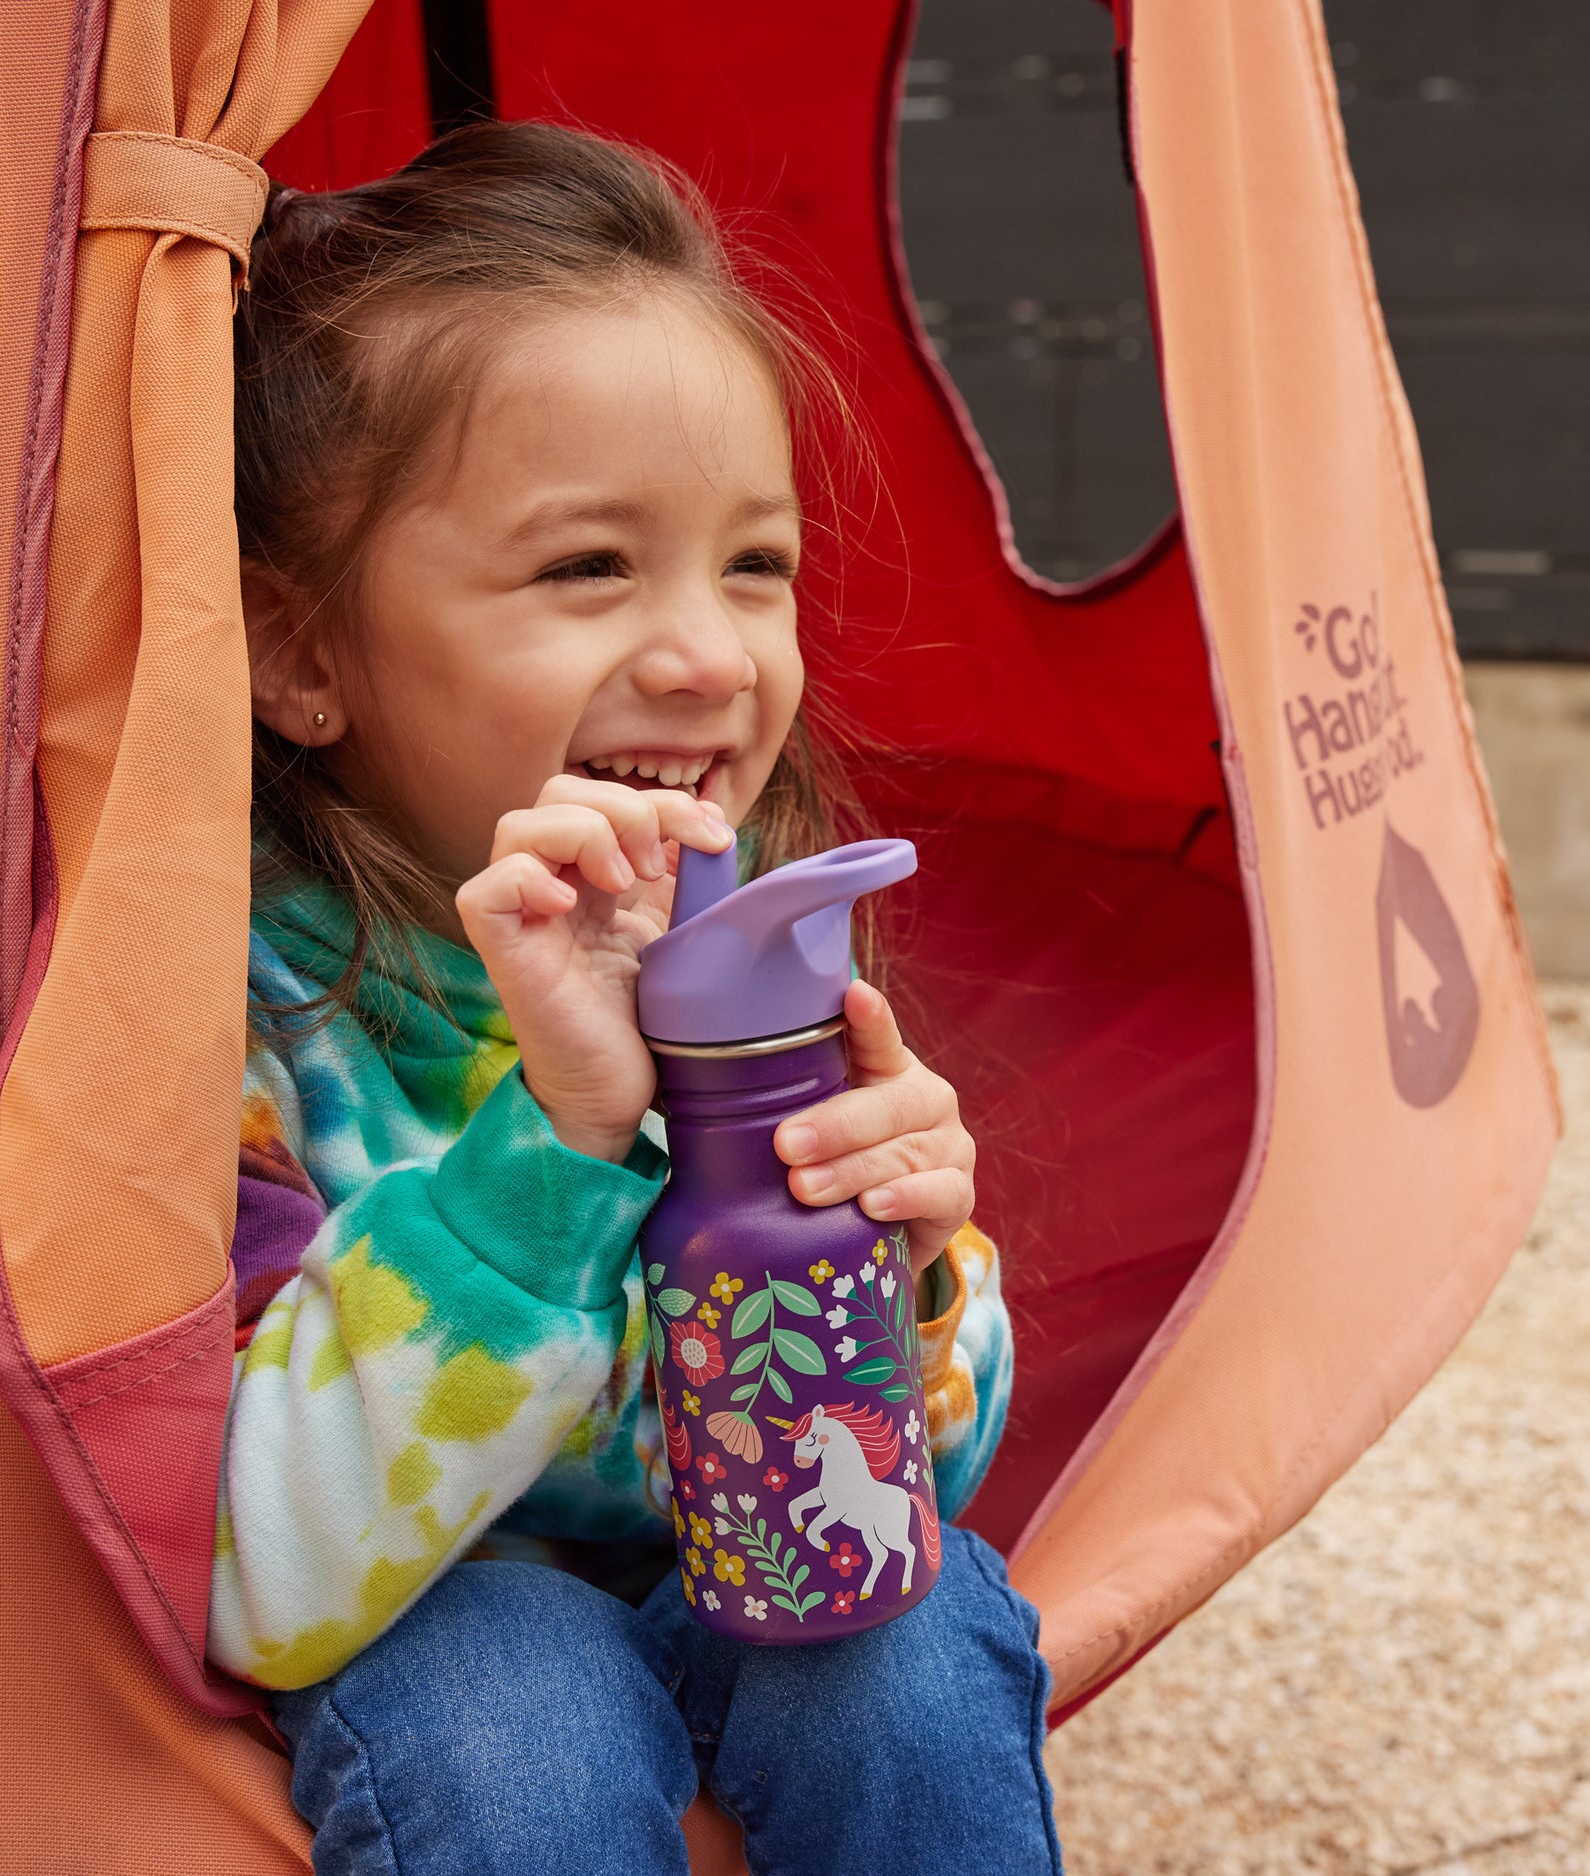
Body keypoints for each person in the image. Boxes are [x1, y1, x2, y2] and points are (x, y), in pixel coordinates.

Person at [215, 120, 1060, 1876]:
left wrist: (901, 1278)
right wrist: (559, 1137)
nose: (710, 652)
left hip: (749, 1581)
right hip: (429, 1623)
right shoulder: (242, 1006)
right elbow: (244, 1571)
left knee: (903, 1649)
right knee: (509, 1687)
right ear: (301, 654)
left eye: (754, 565)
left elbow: (918, 1475)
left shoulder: (758, 954)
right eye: (588, 567)